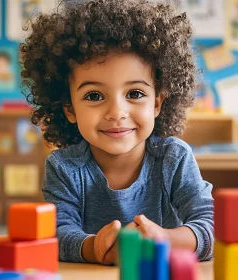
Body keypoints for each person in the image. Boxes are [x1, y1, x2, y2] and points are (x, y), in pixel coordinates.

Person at [20, 0, 214, 265]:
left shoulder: (173, 158)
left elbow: (212, 225)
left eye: (135, 93)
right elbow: (56, 233)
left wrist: (163, 239)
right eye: (94, 95)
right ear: (69, 109)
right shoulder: (64, 167)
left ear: (157, 103)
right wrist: (94, 248)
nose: (116, 112)